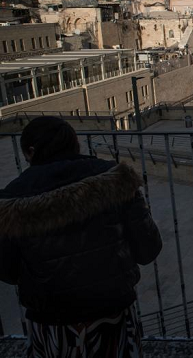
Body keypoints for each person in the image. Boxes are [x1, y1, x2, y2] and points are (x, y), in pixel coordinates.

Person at [0, 117, 162, 357]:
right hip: (113, 315)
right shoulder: (115, 178)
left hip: (52, 323)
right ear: (75, 145)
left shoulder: (11, 200)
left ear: (31, 152)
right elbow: (148, 249)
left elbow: (8, 271)